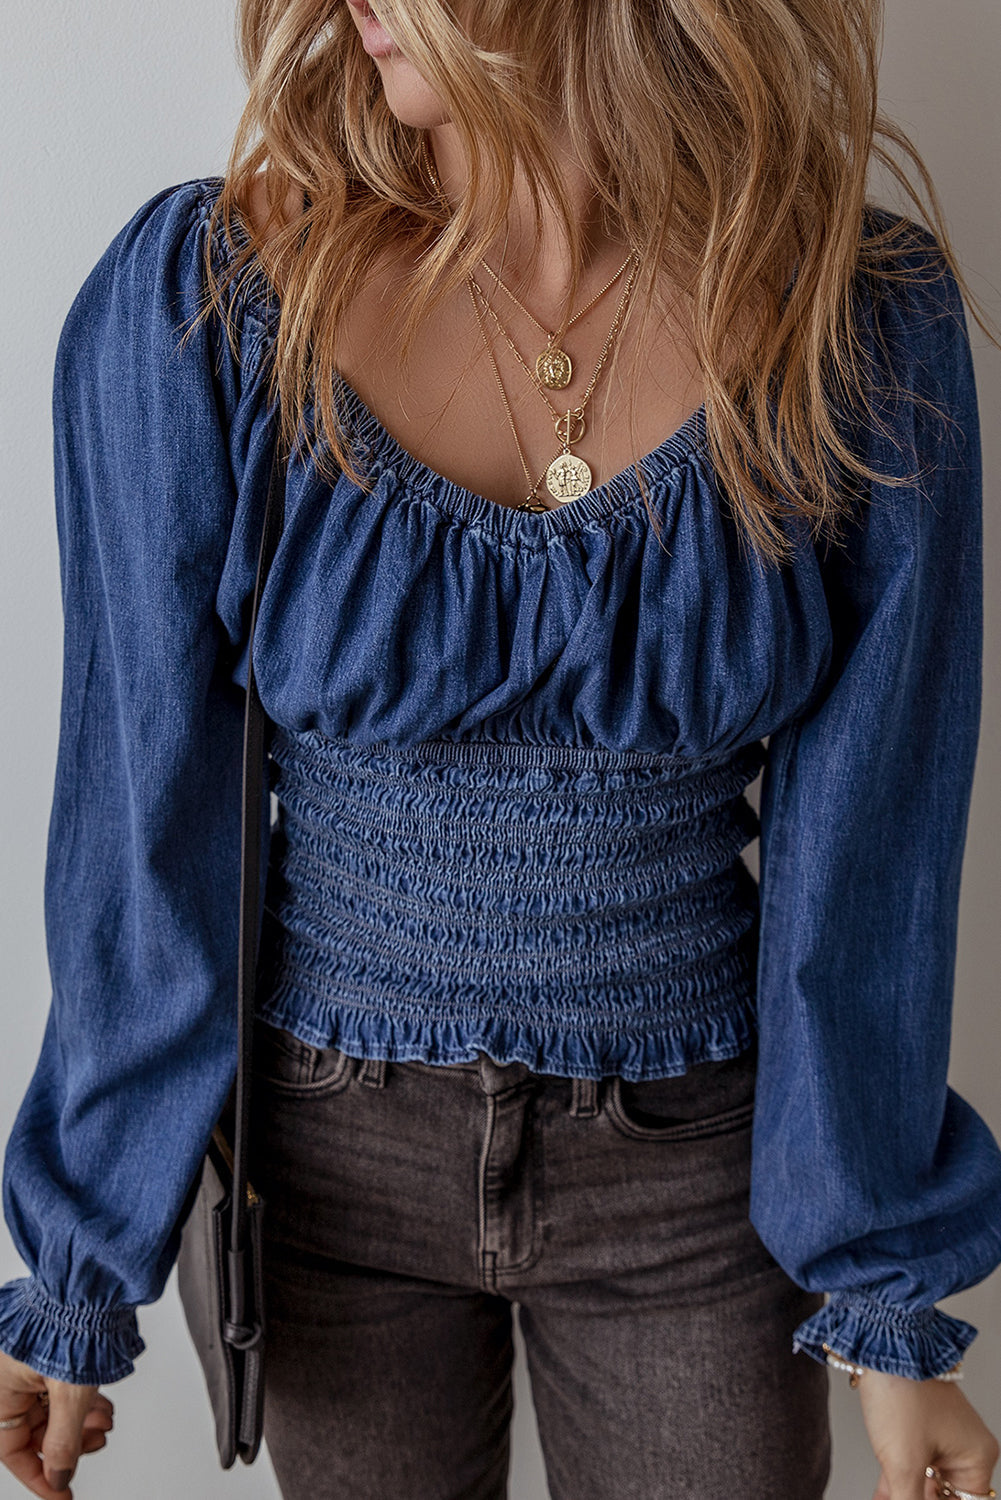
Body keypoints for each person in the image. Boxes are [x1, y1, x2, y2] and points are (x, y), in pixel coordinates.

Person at [2, 0, 1001, 1495]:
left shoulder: (847, 318)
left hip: (698, 1180)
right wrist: (81, 1267)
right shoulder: (214, 302)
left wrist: (885, 1302)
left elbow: (876, 853)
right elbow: (142, 827)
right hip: (325, 1180)